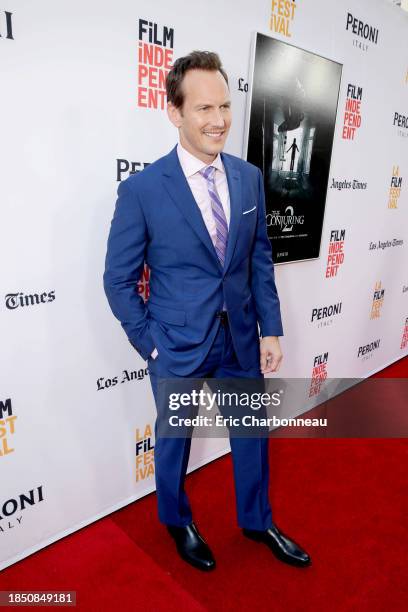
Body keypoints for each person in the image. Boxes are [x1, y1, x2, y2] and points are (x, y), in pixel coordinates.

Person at [103, 51, 310, 571]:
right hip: (175, 343)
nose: (218, 120)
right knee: (173, 440)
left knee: (251, 434)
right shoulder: (143, 191)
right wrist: (150, 343)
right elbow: (118, 281)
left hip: (240, 336)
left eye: (224, 106)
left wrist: (271, 329)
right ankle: (176, 520)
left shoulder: (247, 178)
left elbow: (258, 257)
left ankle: (257, 520)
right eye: (203, 109)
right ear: (174, 111)